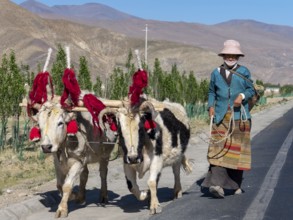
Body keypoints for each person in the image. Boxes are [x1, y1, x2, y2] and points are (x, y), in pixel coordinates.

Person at [201, 39, 255, 198]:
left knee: (236, 153)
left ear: (238, 57)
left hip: (240, 117)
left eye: (234, 55)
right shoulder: (215, 72)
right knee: (218, 150)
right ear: (223, 55)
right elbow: (211, 91)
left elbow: (251, 90)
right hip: (220, 116)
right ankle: (217, 185)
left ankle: (235, 184)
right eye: (228, 54)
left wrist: (242, 95)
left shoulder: (244, 71)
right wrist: (210, 106)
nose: (231, 57)